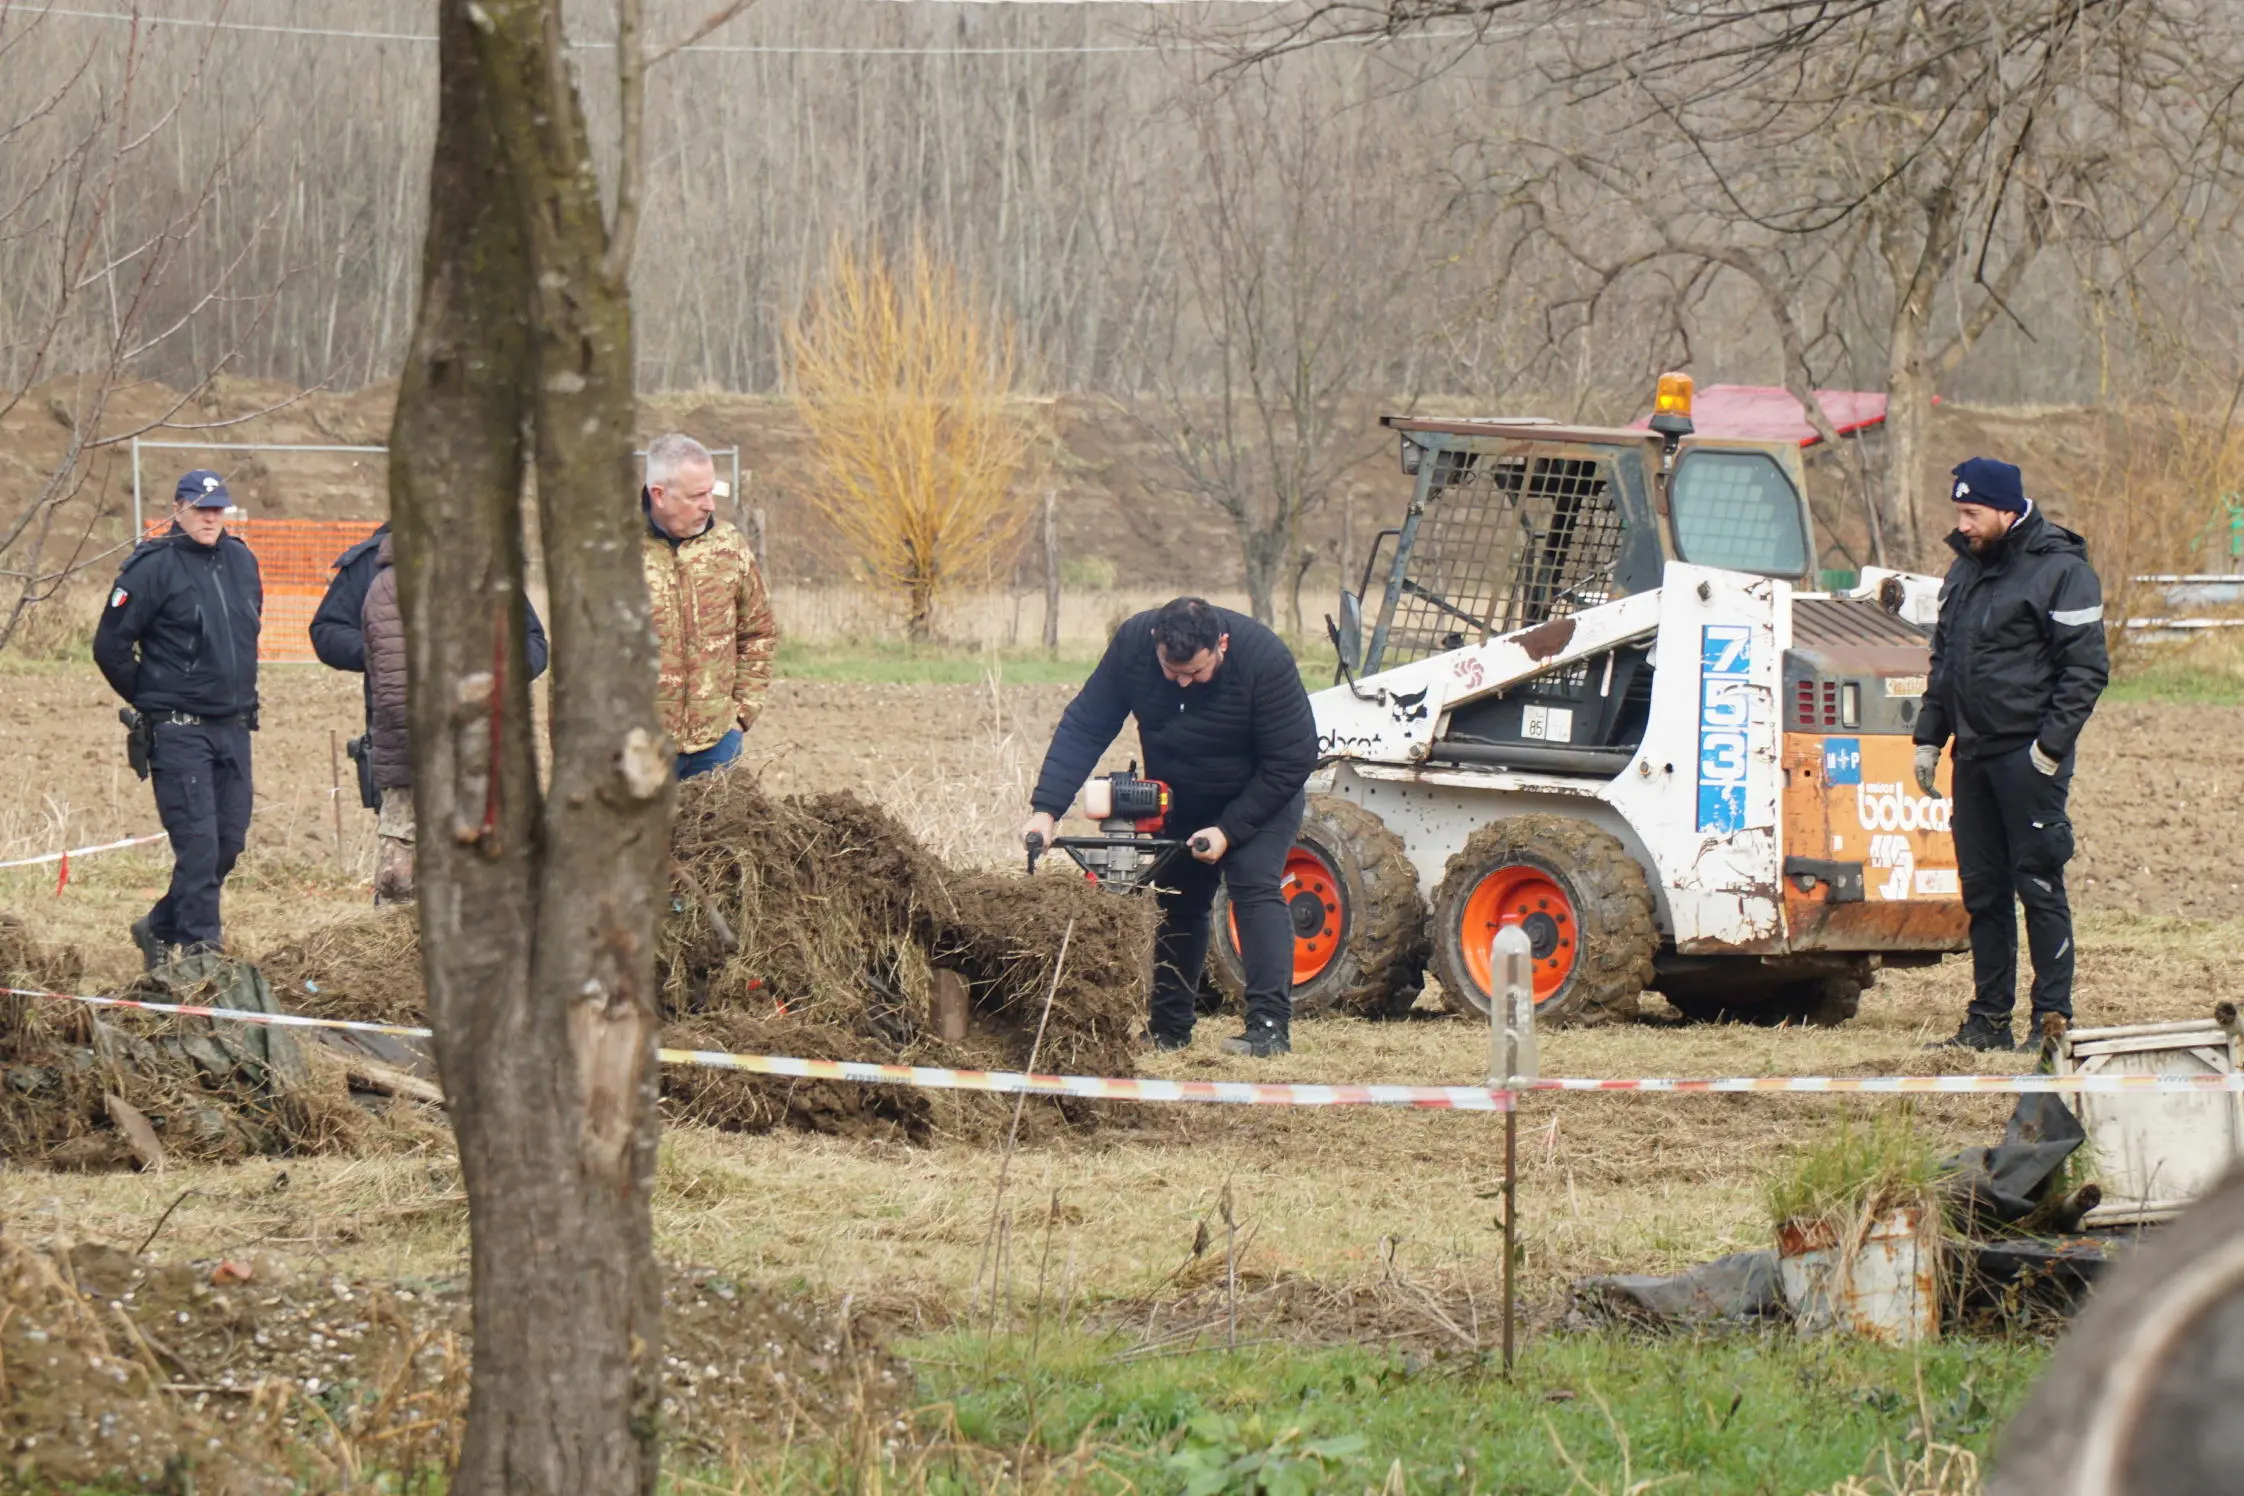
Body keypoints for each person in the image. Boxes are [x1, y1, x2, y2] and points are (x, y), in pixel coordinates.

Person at [1019, 596, 1317, 1057]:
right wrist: (1047, 808)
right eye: (1170, 671)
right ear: (1156, 644)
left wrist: (1229, 830)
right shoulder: (1134, 645)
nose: (1181, 681)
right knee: (1179, 901)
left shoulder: (1265, 659)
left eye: (1194, 673)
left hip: (1260, 794)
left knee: (1253, 887)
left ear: (1221, 644)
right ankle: (1169, 1029)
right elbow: (1087, 724)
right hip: (1181, 792)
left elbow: (1293, 760)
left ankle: (1268, 1028)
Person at [1913, 456, 2109, 1052]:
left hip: (2028, 760)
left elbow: (2086, 669)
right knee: (1984, 892)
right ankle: (1987, 1022)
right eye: (1959, 512)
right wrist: (1929, 737)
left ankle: (2052, 1023)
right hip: (1971, 754)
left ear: (2005, 508)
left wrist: (2049, 749)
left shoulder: (2061, 570)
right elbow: (1946, 663)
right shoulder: (1964, 571)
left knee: (2039, 883)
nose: (1963, 524)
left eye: (1972, 513)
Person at [92, 471, 262, 967]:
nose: (210, 518)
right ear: (178, 508)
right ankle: (200, 954)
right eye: (200, 508)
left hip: (232, 726)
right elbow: (111, 645)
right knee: (199, 846)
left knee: (228, 843)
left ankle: (160, 925)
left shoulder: (242, 561)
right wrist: (152, 698)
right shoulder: (152, 567)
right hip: (178, 730)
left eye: (217, 509)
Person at [641, 432, 777, 779]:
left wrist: (741, 715)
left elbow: (758, 633)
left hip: (716, 750)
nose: (710, 505)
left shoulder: (729, 548)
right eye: (697, 495)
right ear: (659, 494)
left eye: (711, 491)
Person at [359, 532, 414, 903]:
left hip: (461, 758)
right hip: (413, 756)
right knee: (401, 881)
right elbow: (396, 688)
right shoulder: (392, 589)